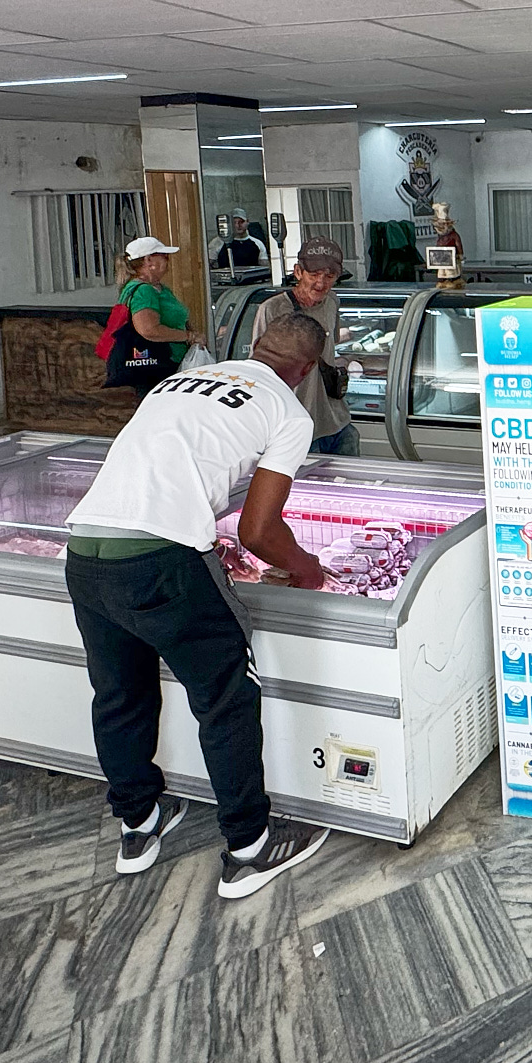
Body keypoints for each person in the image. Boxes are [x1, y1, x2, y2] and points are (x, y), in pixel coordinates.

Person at [64, 313, 334, 900]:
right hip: (163, 562)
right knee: (225, 699)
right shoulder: (288, 412)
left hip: (85, 552)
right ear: (307, 369)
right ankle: (251, 847)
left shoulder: (179, 381)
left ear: (254, 346)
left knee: (119, 695)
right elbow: (260, 530)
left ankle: (138, 825)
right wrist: (309, 571)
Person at [252, 236, 357, 455]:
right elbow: (258, 370)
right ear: (298, 272)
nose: (321, 283)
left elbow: (331, 348)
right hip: (297, 426)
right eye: (314, 274)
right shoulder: (272, 309)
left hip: (338, 421)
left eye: (329, 276)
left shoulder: (332, 301)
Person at [118, 236, 203, 364]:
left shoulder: (158, 288)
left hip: (167, 361)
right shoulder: (144, 291)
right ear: (149, 260)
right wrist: (188, 336)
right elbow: (149, 330)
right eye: (164, 256)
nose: (168, 261)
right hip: (157, 365)